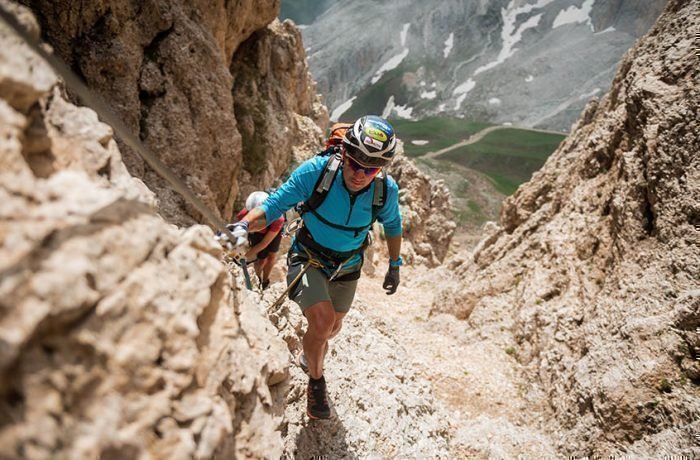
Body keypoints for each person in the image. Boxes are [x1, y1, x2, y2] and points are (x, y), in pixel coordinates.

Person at [220, 115, 403, 419]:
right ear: (344, 152)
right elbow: (274, 206)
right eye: (354, 161)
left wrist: (394, 265)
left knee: (331, 328)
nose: (360, 173)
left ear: (381, 167)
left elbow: (394, 225)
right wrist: (241, 226)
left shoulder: (385, 190)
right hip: (308, 257)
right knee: (322, 323)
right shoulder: (317, 173)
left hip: (348, 266)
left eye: (371, 168)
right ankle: (316, 383)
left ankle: (311, 353)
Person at [235, 191, 284, 290]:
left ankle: (265, 281)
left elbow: (264, 243)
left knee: (271, 256)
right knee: (260, 260)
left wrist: (244, 257)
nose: (255, 218)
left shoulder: (278, 219)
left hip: (274, 231)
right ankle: (257, 281)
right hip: (257, 232)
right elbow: (238, 235)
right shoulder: (243, 216)